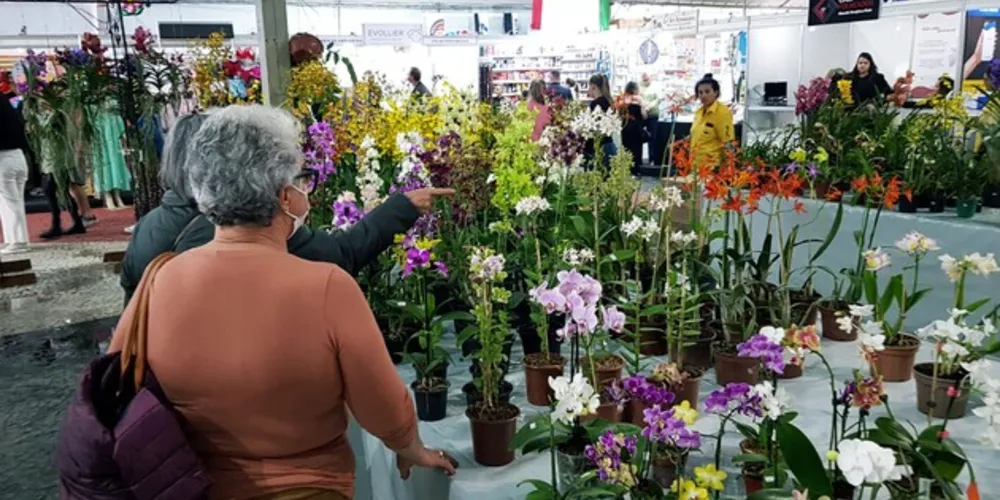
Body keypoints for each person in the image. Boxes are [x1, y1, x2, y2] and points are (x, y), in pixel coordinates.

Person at [108, 105, 457, 500]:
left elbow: (115, 381)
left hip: (190, 485)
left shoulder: (159, 280)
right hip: (305, 487)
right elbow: (383, 405)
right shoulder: (325, 286)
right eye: (301, 177)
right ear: (285, 197)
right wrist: (411, 448)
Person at [119, 113, 452, 305]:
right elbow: (342, 254)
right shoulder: (255, 225)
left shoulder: (148, 227)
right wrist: (402, 207)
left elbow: (131, 307)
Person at [0, 94, 30, 254]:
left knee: (10, 202)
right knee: (13, 201)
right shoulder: (7, 105)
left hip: (3, 158)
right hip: (18, 156)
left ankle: (18, 241)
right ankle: (14, 239)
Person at [691, 73, 735, 169]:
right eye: (700, 92)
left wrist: (728, 169)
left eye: (707, 91)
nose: (703, 95)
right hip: (695, 165)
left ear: (716, 92)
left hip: (712, 168)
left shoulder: (722, 113)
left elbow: (728, 143)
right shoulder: (699, 112)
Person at [584, 74, 618, 170]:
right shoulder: (609, 102)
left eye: (588, 86)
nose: (588, 89)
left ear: (593, 86)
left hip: (598, 148)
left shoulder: (595, 104)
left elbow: (592, 128)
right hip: (609, 145)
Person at [620, 81, 647, 175]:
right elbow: (644, 115)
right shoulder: (639, 99)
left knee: (626, 148)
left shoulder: (623, 99)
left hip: (625, 128)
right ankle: (636, 170)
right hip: (636, 129)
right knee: (636, 150)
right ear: (636, 89)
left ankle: (627, 168)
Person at [640, 73, 664, 166]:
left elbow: (658, 99)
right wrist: (643, 107)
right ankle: (639, 159)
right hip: (641, 115)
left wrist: (648, 107)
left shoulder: (656, 86)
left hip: (653, 114)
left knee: (652, 138)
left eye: (647, 77)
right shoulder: (639, 85)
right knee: (639, 137)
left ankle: (652, 159)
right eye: (643, 78)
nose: (645, 79)